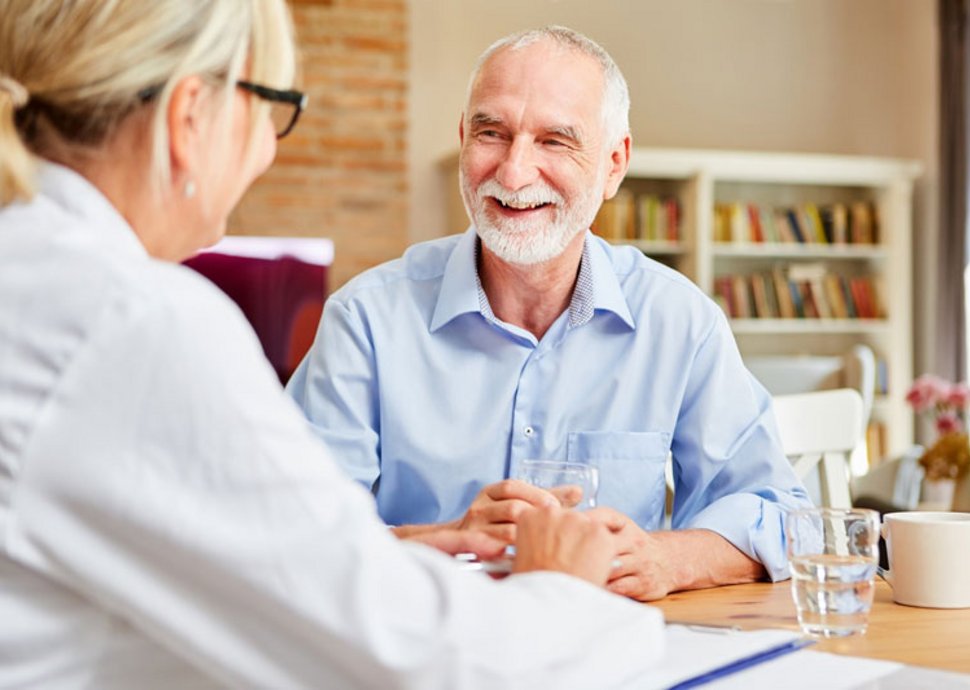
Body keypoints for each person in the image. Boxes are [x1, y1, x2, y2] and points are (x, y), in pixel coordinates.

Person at [0, 4, 666, 688]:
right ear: (190, 116)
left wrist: (376, 558)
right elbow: (439, 664)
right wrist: (563, 587)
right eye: (272, 110)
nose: (266, 149)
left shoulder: (38, 276)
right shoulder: (134, 324)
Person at [287, 26, 813, 603]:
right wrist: (448, 540)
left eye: (555, 141)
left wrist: (667, 558)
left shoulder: (679, 322)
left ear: (614, 165)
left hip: (606, 653)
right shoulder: (364, 320)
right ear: (463, 139)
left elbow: (780, 512)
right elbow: (289, 531)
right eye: (492, 133)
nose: (513, 173)